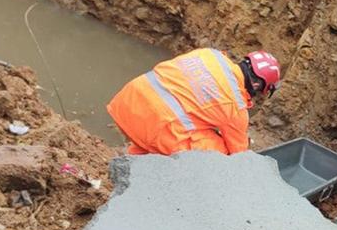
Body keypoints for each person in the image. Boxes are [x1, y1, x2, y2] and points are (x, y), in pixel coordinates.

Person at [107, 49, 281, 155]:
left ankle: (133, 159)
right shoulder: (236, 106)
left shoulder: (210, 54)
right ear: (257, 84)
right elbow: (238, 153)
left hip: (128, 102)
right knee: (223, 151)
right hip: (153, 128)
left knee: (182, 120)